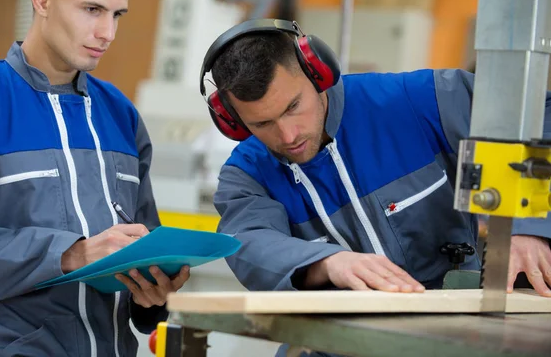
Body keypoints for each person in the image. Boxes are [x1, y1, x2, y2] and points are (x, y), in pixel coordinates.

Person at [201, 19, 551, 303]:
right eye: (261, 124)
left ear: (317, 74)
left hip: (454, 323)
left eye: (293, 107)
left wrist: (529, 224)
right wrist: (328, 263)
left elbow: (537, 116)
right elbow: (247, 242)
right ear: (232, 121)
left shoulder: (419, 101)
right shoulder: (247, 173)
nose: (288, 135)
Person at [0, 0, 189, 355]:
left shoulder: (121, 115)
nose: (107, 32)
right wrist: (69, 254)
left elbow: (144, 251)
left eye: (117, 14)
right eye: (92, 10)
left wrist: (154, 295)